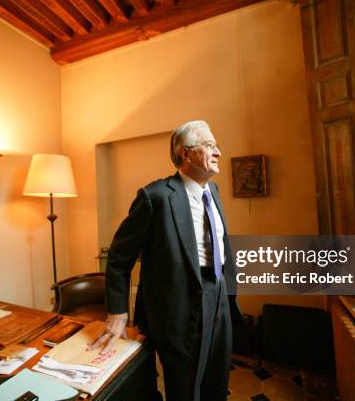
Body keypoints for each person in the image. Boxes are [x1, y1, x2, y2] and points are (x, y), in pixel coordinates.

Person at [88, 120, 241, 401]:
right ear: (186, 153)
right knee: (185, 389)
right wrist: (118, 312)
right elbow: (120, 257)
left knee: (217, 379)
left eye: (217, 145)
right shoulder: (155, 197)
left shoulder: (213, 192)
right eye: (209, 145)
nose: (218, 151)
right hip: (179, 306)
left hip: (218, 294)